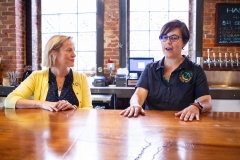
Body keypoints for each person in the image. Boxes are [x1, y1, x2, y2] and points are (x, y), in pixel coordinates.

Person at [120, 19, 212, 121]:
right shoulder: (150, 69)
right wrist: (135, 105)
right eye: (164, 37)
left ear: (184, 43)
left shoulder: (195, 70)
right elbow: (139, 95)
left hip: (182, 124)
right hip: (151, 126)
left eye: (174, 38)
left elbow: (206, 101)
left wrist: (196, 106)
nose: (168, 42)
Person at [4, 35, 92, 111]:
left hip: (74, 130)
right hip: (45, 130)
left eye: (74, 50)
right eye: (69, 50)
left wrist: (73, 109)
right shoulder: (36, 76)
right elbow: (9, 100)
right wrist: (42, 104)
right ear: (54, 53)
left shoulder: (81, 78)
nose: (74, 54)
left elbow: (88, 109)